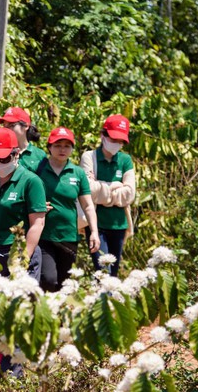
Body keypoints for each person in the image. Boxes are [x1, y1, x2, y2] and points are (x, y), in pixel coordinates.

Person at [0, 127, 46, 277]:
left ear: (16, 153)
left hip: (20, 251)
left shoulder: (31, 181)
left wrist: (24, 258)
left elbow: (38, 223)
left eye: (4, 159)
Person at [35, 127, 100, 292]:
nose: (62, 149)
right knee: (48, 280)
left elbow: (88, 205)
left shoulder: (77, 173)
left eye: (66, 145)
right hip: (44, 235)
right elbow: (27, 195)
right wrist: (36, 204)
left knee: (64, 285)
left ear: (72, 148)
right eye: (57, 145)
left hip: (68, 237)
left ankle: (59, 316)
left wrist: (94, 232)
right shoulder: (39, 170)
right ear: (49, 147)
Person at [80, 114, 136, 277]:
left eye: (120, 141)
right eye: (113, 139)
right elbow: (88, 190)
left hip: (119, 225)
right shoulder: (89, 157)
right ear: (103, 135)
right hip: (95, 225)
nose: (116, 144)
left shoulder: (125, 160)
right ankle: (104, 301)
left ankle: (106, 302)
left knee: (112, 275)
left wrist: (102, 192)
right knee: (103, 272)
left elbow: (129, 195)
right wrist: (116, 187)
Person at [0, 107, 46, 173]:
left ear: (26, 126)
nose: (7, 129)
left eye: (11, 125)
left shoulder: (39, 155)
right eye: (5, 126)